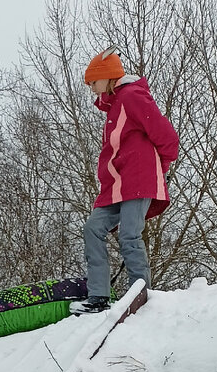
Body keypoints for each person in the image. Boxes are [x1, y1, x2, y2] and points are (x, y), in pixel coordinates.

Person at [74, 50, 178, 315]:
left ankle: (139, 298)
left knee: (129, 235)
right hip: (115, 185)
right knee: (93, 229)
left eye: (93, 82)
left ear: (107, 77)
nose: (91, 89)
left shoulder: (132, 96)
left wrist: (158, 170)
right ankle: (98, 296)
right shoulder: (113, 107)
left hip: (138, 180)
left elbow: (166, 136)